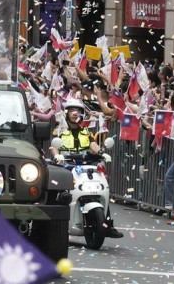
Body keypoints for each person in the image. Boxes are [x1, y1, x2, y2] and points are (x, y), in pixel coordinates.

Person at [51, 98, 123, 238]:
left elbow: (93, 145)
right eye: (72, 111)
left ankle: (107, 224)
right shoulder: (59, 131)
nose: (75, 114)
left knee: (100, 188)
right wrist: (57, 156)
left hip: (85, 165)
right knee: (60, 193)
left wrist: (102, 153)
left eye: (78, 111)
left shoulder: (86, 132)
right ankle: (55, 223)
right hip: (67, 166)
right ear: (66, 113)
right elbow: (54, 146)